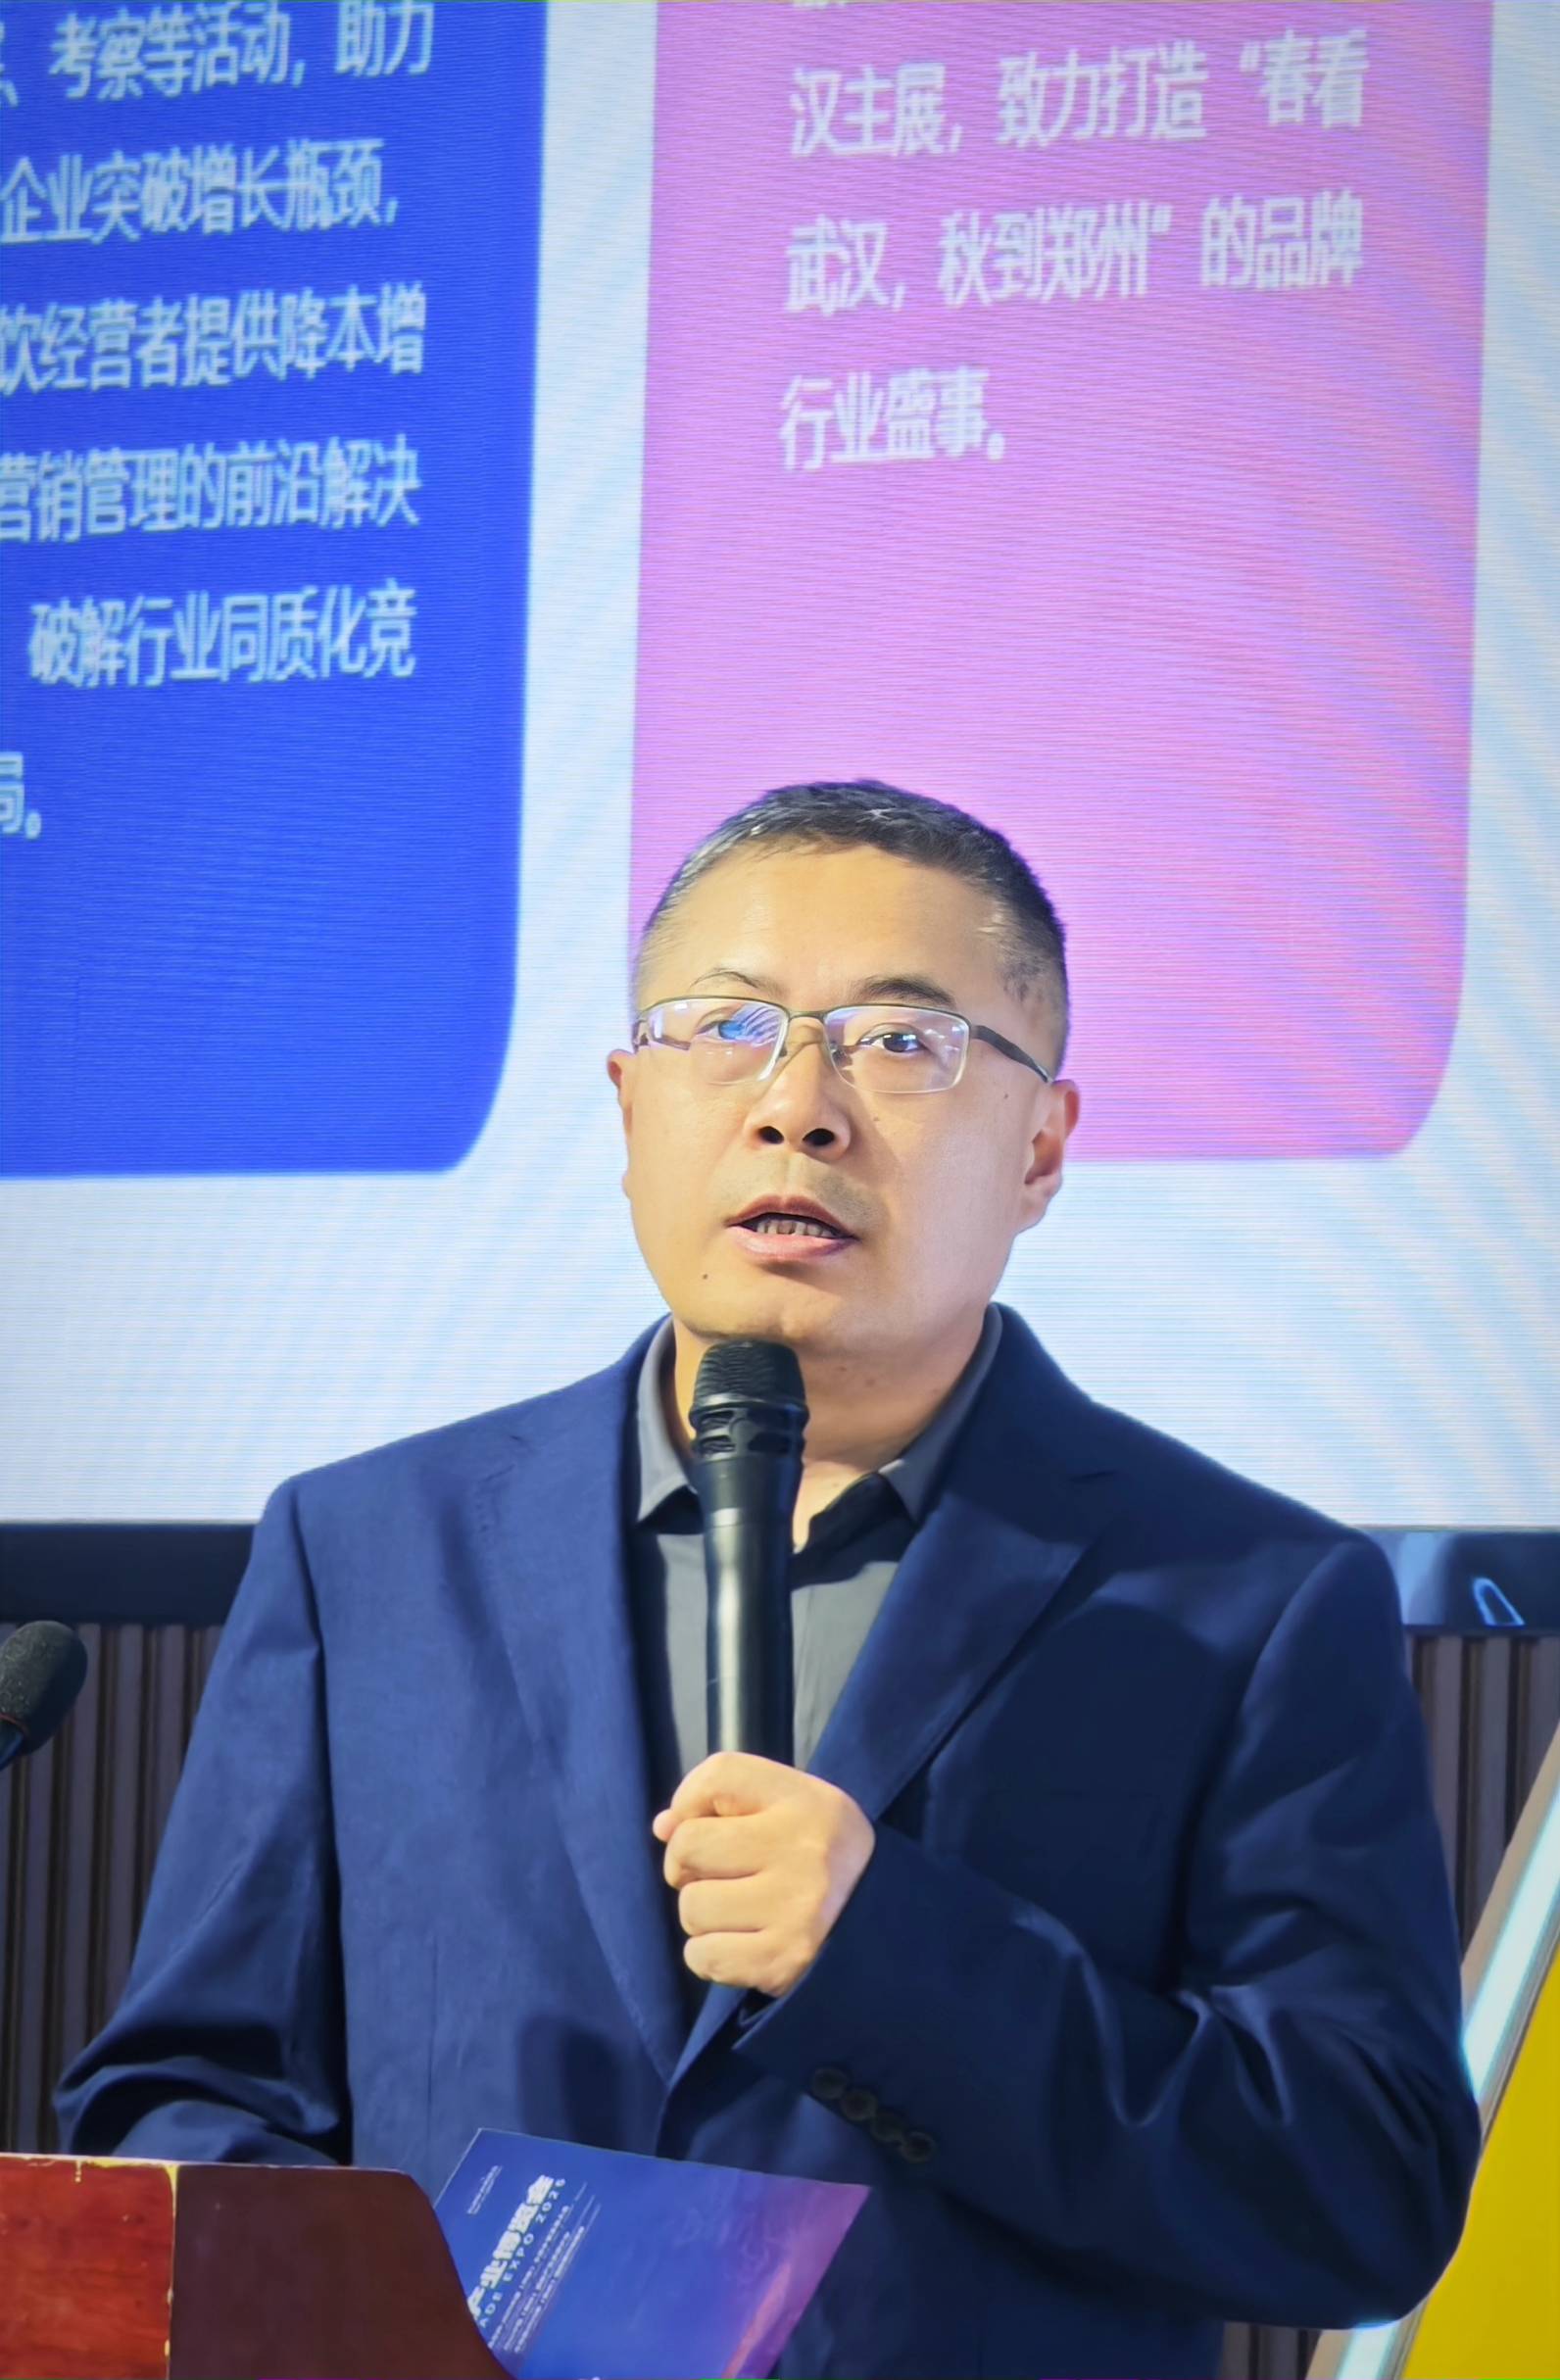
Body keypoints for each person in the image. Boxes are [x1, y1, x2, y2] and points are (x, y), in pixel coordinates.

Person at [59, 782, 1480, 2380]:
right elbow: (181, 2099)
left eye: (901, 1042)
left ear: (1041, 1148)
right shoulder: (368, 1550)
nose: (798, 1106)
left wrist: (891, 1960)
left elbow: (1362, 2190)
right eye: (728, 1029)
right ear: (628, 1107)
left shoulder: (1255, 1598)